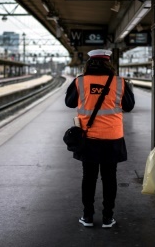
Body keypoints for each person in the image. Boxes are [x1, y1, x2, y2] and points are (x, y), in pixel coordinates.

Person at [65, 49, 135, 228]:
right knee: (109, 178)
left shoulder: (80, 82)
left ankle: (87, 216)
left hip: (88, 138)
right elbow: (129, 105)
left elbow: (69, 102)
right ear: (108, 63)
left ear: (89, 63)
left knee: (88, 177)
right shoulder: (120, 82)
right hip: (112, 138)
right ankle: (107, 218)